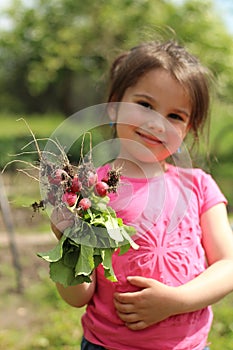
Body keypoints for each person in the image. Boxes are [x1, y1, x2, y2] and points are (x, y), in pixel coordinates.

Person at [51, 40, 233, 350]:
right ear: (113, 106)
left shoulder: (199, 187)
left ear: (189, 128)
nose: (156, 123)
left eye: (175, 116)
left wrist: (176, 301)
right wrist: (69, 242)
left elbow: (228, 266)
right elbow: (77, 297)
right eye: (145, 105)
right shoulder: (92, 191)